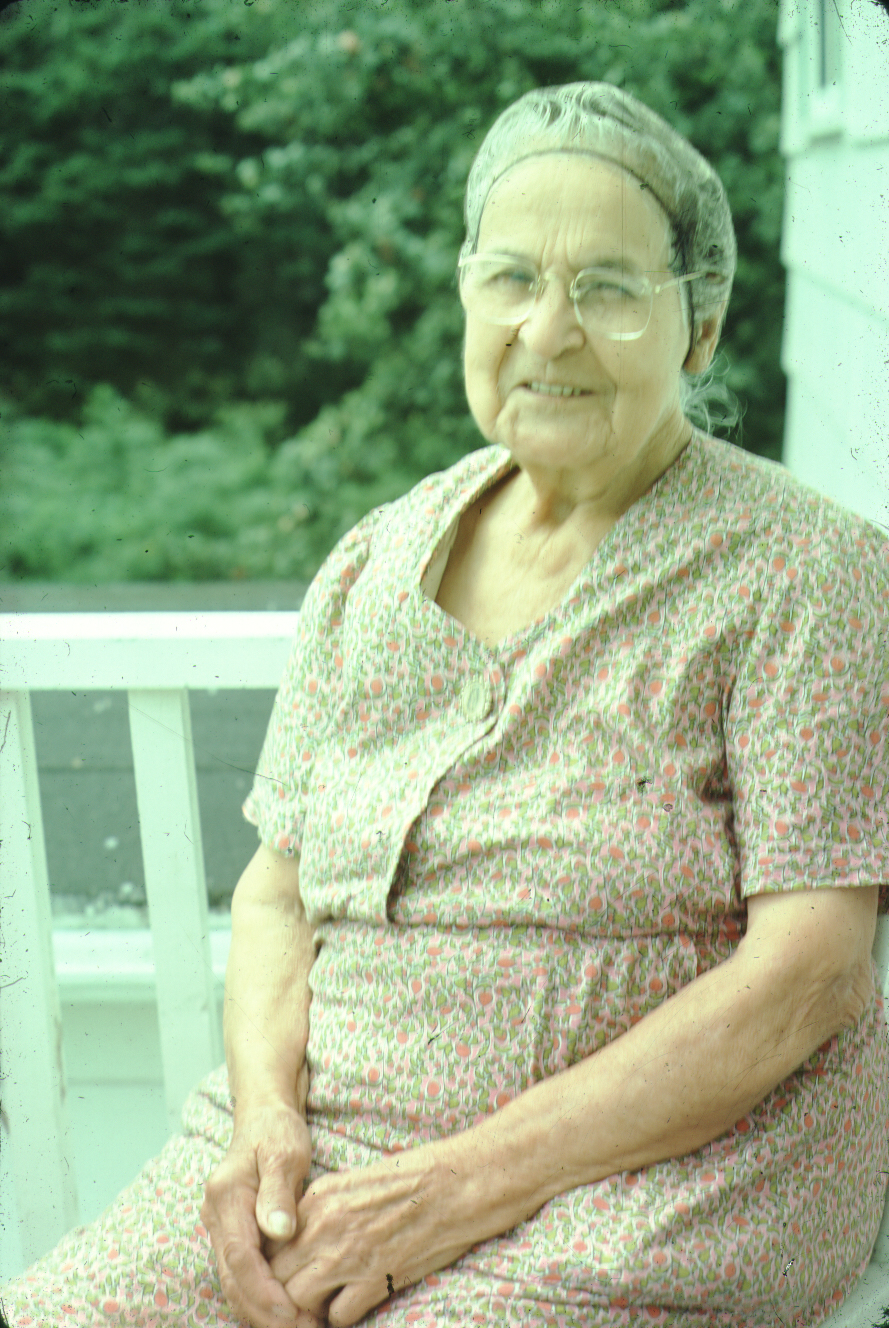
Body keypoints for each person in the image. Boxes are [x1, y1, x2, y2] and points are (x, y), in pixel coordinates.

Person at [3, 81, 887, 1328]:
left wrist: (453, 1190)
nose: (550, 330)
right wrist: (264, 1129)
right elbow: (274, 885)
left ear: (701, 324)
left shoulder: (808, 573)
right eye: (511, 277)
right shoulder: (377, 556)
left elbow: (808, 975)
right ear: (467, 298)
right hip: (324, 1156)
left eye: (611, 287)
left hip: (648, 1190)